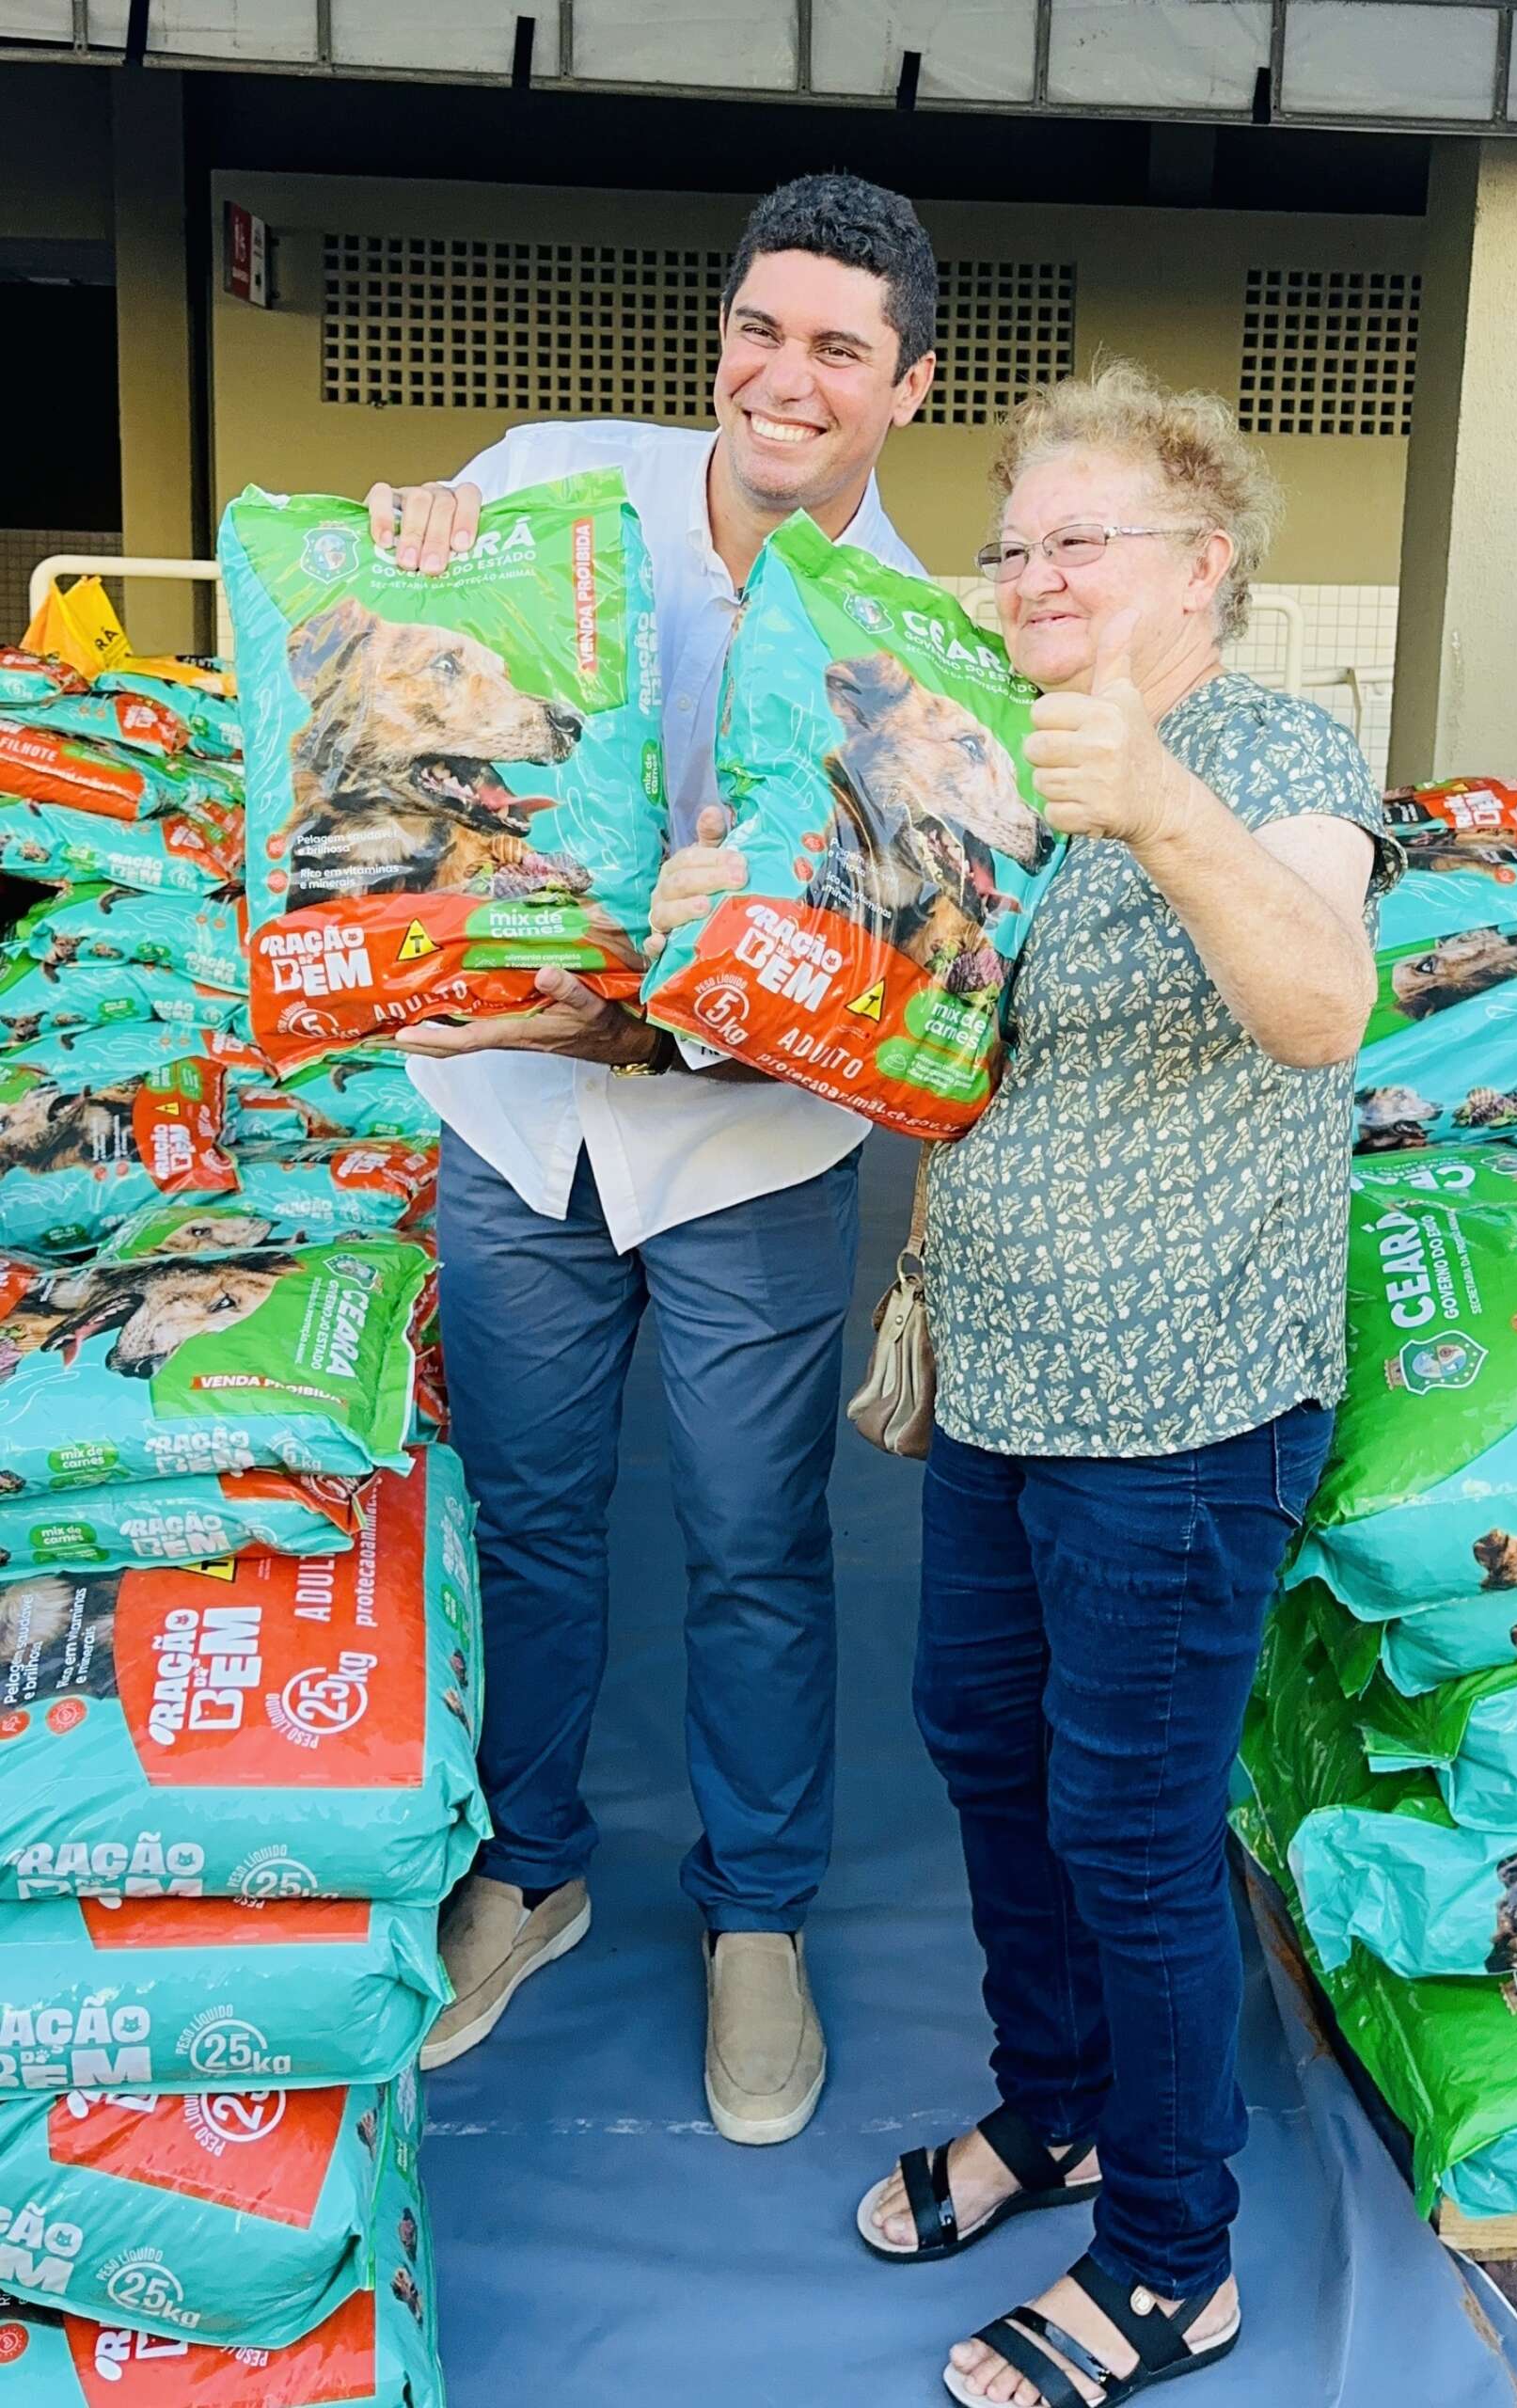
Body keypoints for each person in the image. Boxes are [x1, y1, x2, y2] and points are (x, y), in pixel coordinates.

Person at [651, 359, 1402, 2399]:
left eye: (1078, 539)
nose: (1028, 573)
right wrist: (728, 932)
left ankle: (1175, 2253)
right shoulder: (967, 758)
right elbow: (875, 1030)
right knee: (983, 1743)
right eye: (1010, 544)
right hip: (996, 1379)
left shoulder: (1273, 745)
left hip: (1184, 1406)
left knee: (1132, 1824)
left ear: (1200, 567)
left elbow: (1318, 999)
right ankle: (1058, 2107)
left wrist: (1154, 798)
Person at [369, 174, 935, 2147]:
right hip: (514, 1110)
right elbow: (404, 678)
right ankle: (526, 1862)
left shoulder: (913, 641)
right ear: (723, 335)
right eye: (762, 329)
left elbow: (893, 950)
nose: (787, 377)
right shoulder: (554, 484)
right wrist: (421, 548)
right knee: (525, 1509)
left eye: (838, 349)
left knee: (752, 1540)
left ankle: (755, 1914)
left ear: (904, 388)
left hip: (752, 1143)